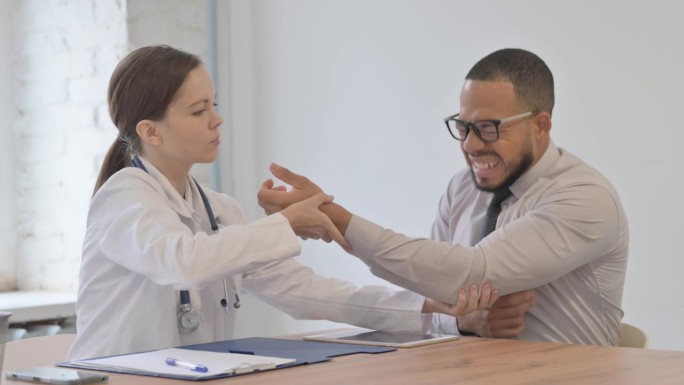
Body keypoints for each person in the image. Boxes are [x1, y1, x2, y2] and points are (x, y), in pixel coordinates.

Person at [67, 45, 496, 360]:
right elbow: (181, 262)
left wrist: (427, 308)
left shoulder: (219, 211)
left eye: (213, 105)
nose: (217, 119)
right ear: (151, 132)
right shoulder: (123, 198)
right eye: (198, 111)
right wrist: (286, 224)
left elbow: (307, 293)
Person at [258, 48, 629, 346]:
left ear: (540, 125)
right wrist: (465, 322)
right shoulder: (463, 188)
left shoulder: (585, 198)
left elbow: (466, 274)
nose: (469, 145)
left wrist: (336, 217)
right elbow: (436, 293)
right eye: (463, 126)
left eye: (488, 128)